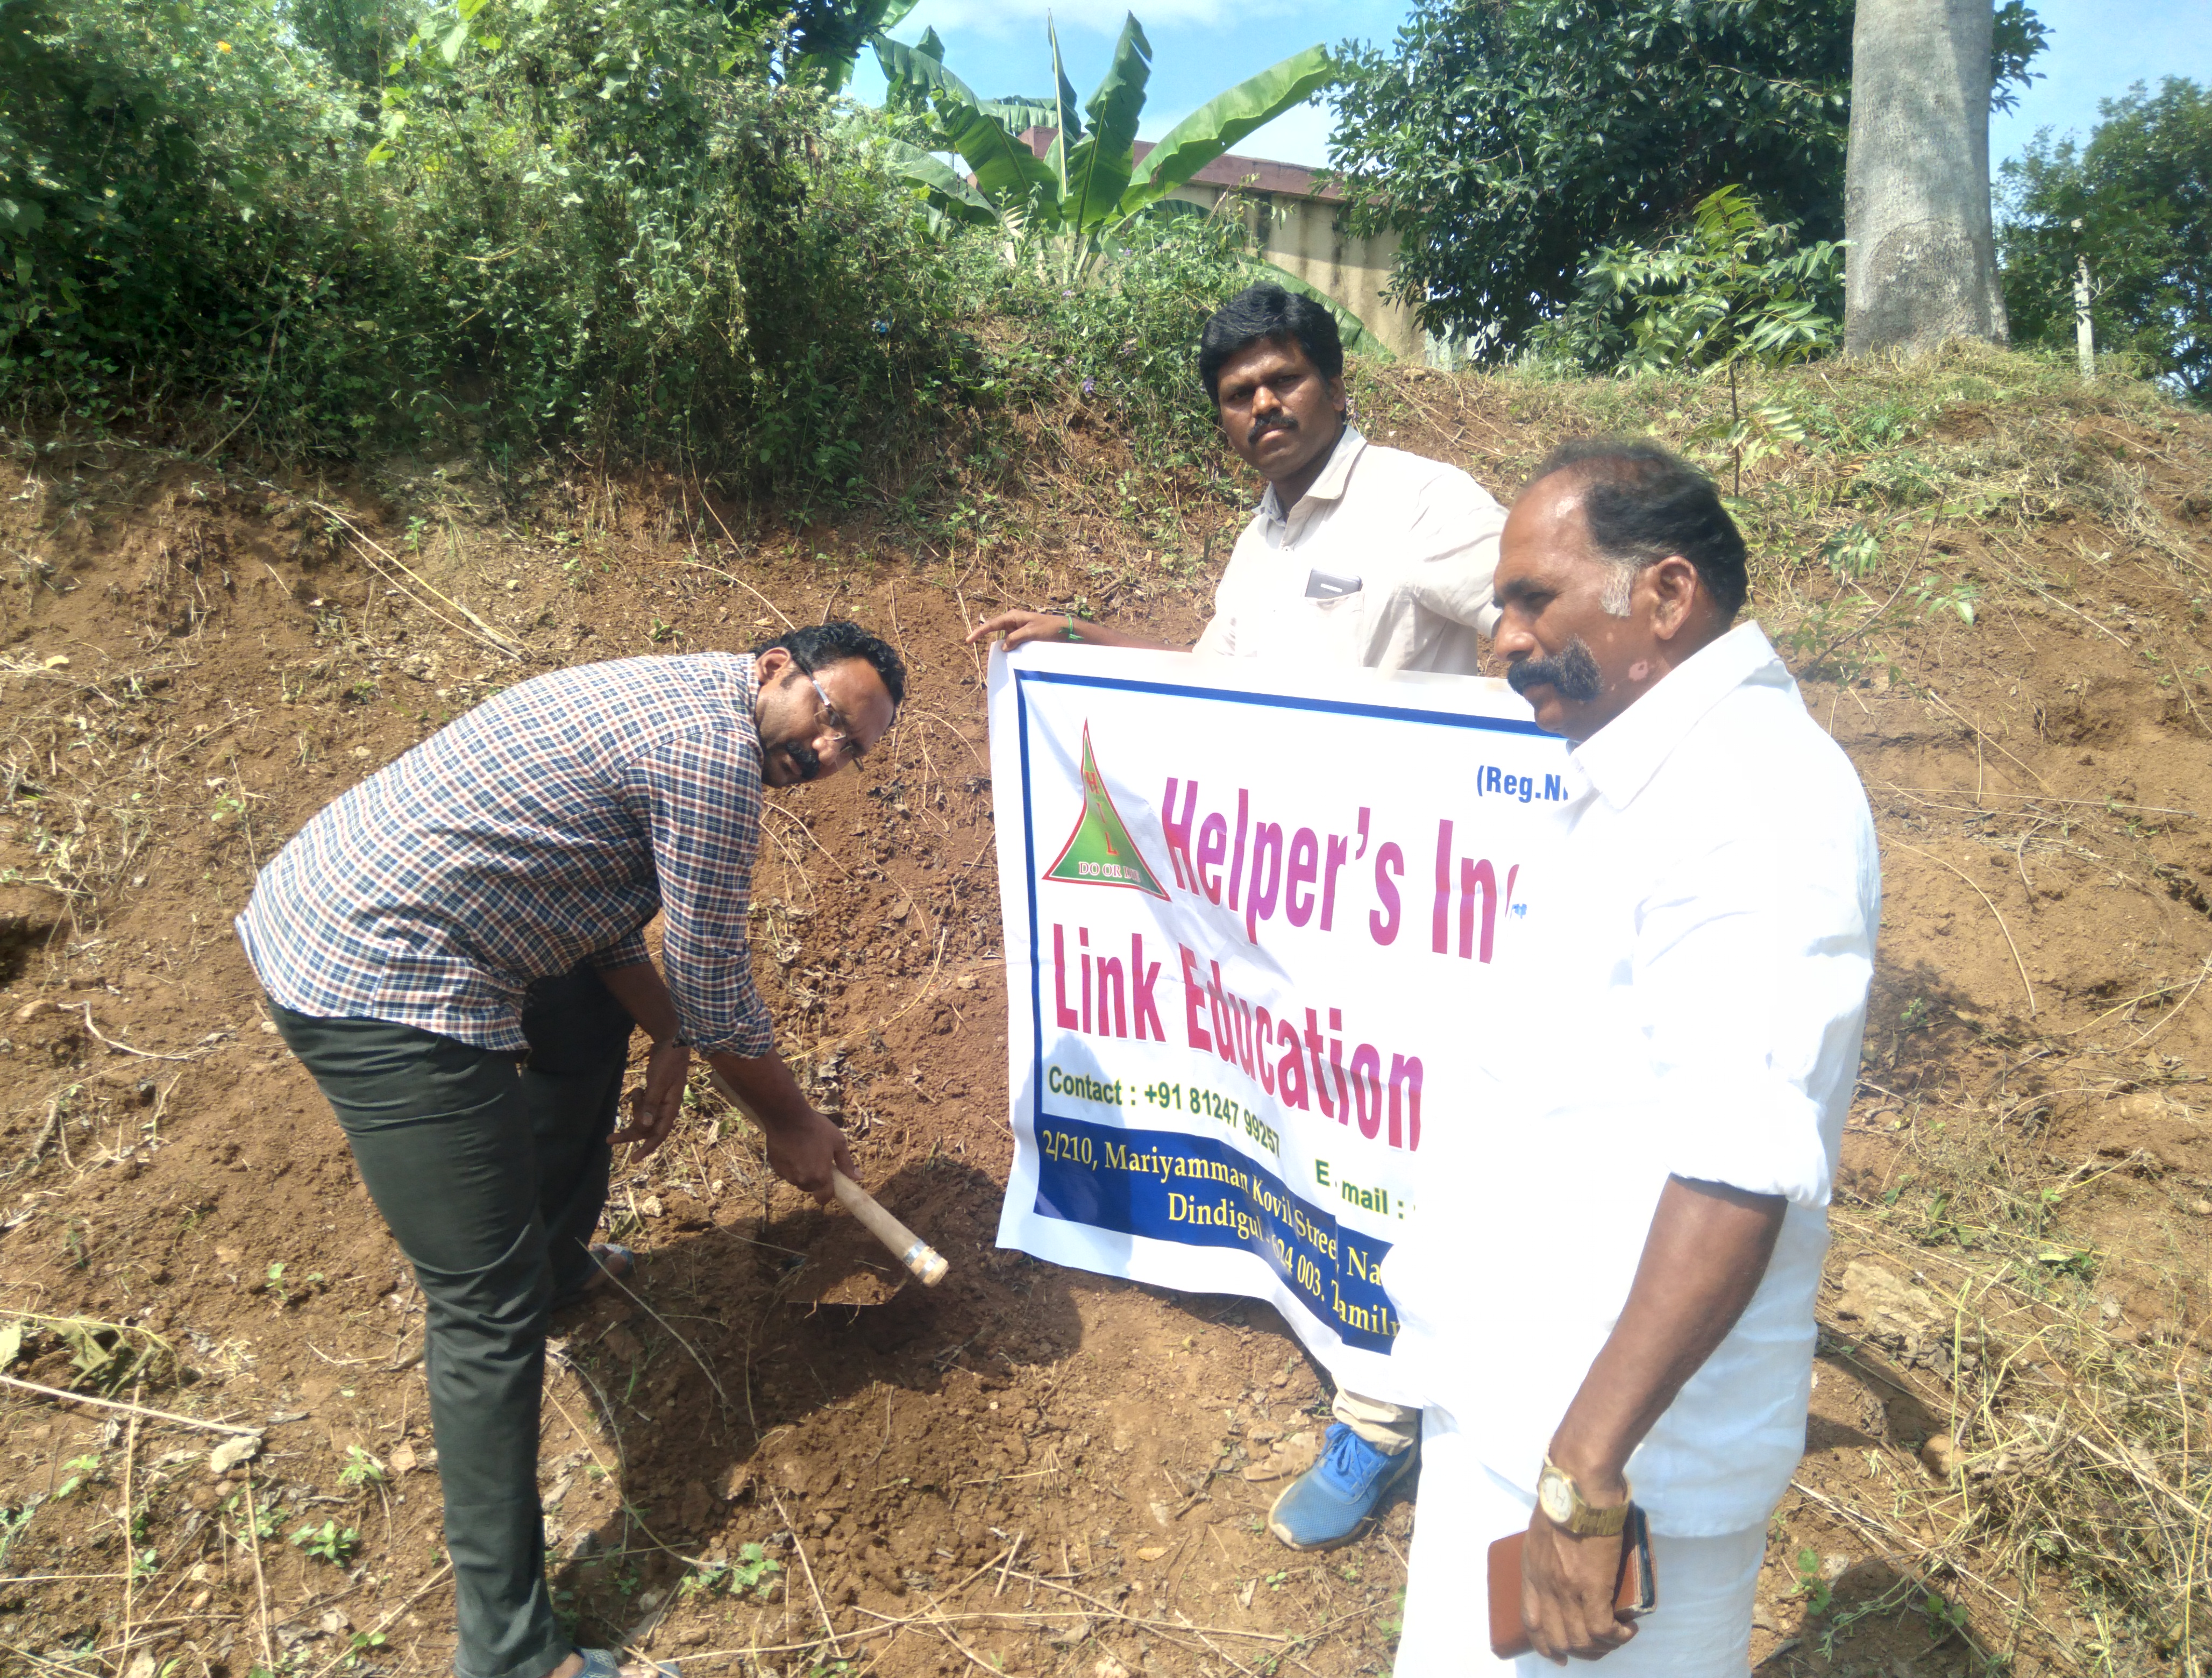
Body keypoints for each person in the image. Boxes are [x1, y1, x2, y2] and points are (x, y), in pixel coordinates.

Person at [235, 622, 906, 1678]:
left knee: (587, 1017)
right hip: (375, 971)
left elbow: (590, 914)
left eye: (851, 753)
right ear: (776, 668)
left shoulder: (680, 700)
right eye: (829, 719)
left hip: (363, 905)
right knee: (479, 1304)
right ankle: (507, 1652)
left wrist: (672, 1032)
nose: (826, 755)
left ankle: (555, 1270)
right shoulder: (712, 753)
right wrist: (788, 1119)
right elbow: (713, 972)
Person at [970, 282, 1509, 1549]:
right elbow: (1215, 699)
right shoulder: (1260, 539)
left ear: (1333, 381)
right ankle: (1310, 1300)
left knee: (1391, 1130)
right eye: (1237, 394)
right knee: (1297, 1103)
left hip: (1392, 902)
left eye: (1283, 380)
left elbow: (1533, 627)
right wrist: (1084, 647)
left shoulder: (1424, 504)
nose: (1263, 406)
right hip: (1271, 900)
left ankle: (1381, 1419)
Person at [1382, 439, 1880, 1674]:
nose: (1500, 637)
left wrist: (1582, 1480)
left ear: (1663, 595)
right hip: (1519, 1413)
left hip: (1617, 1474)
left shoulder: (1754, 809)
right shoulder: (1645, 781)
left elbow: (1738, 1167)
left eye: (1531, 599)